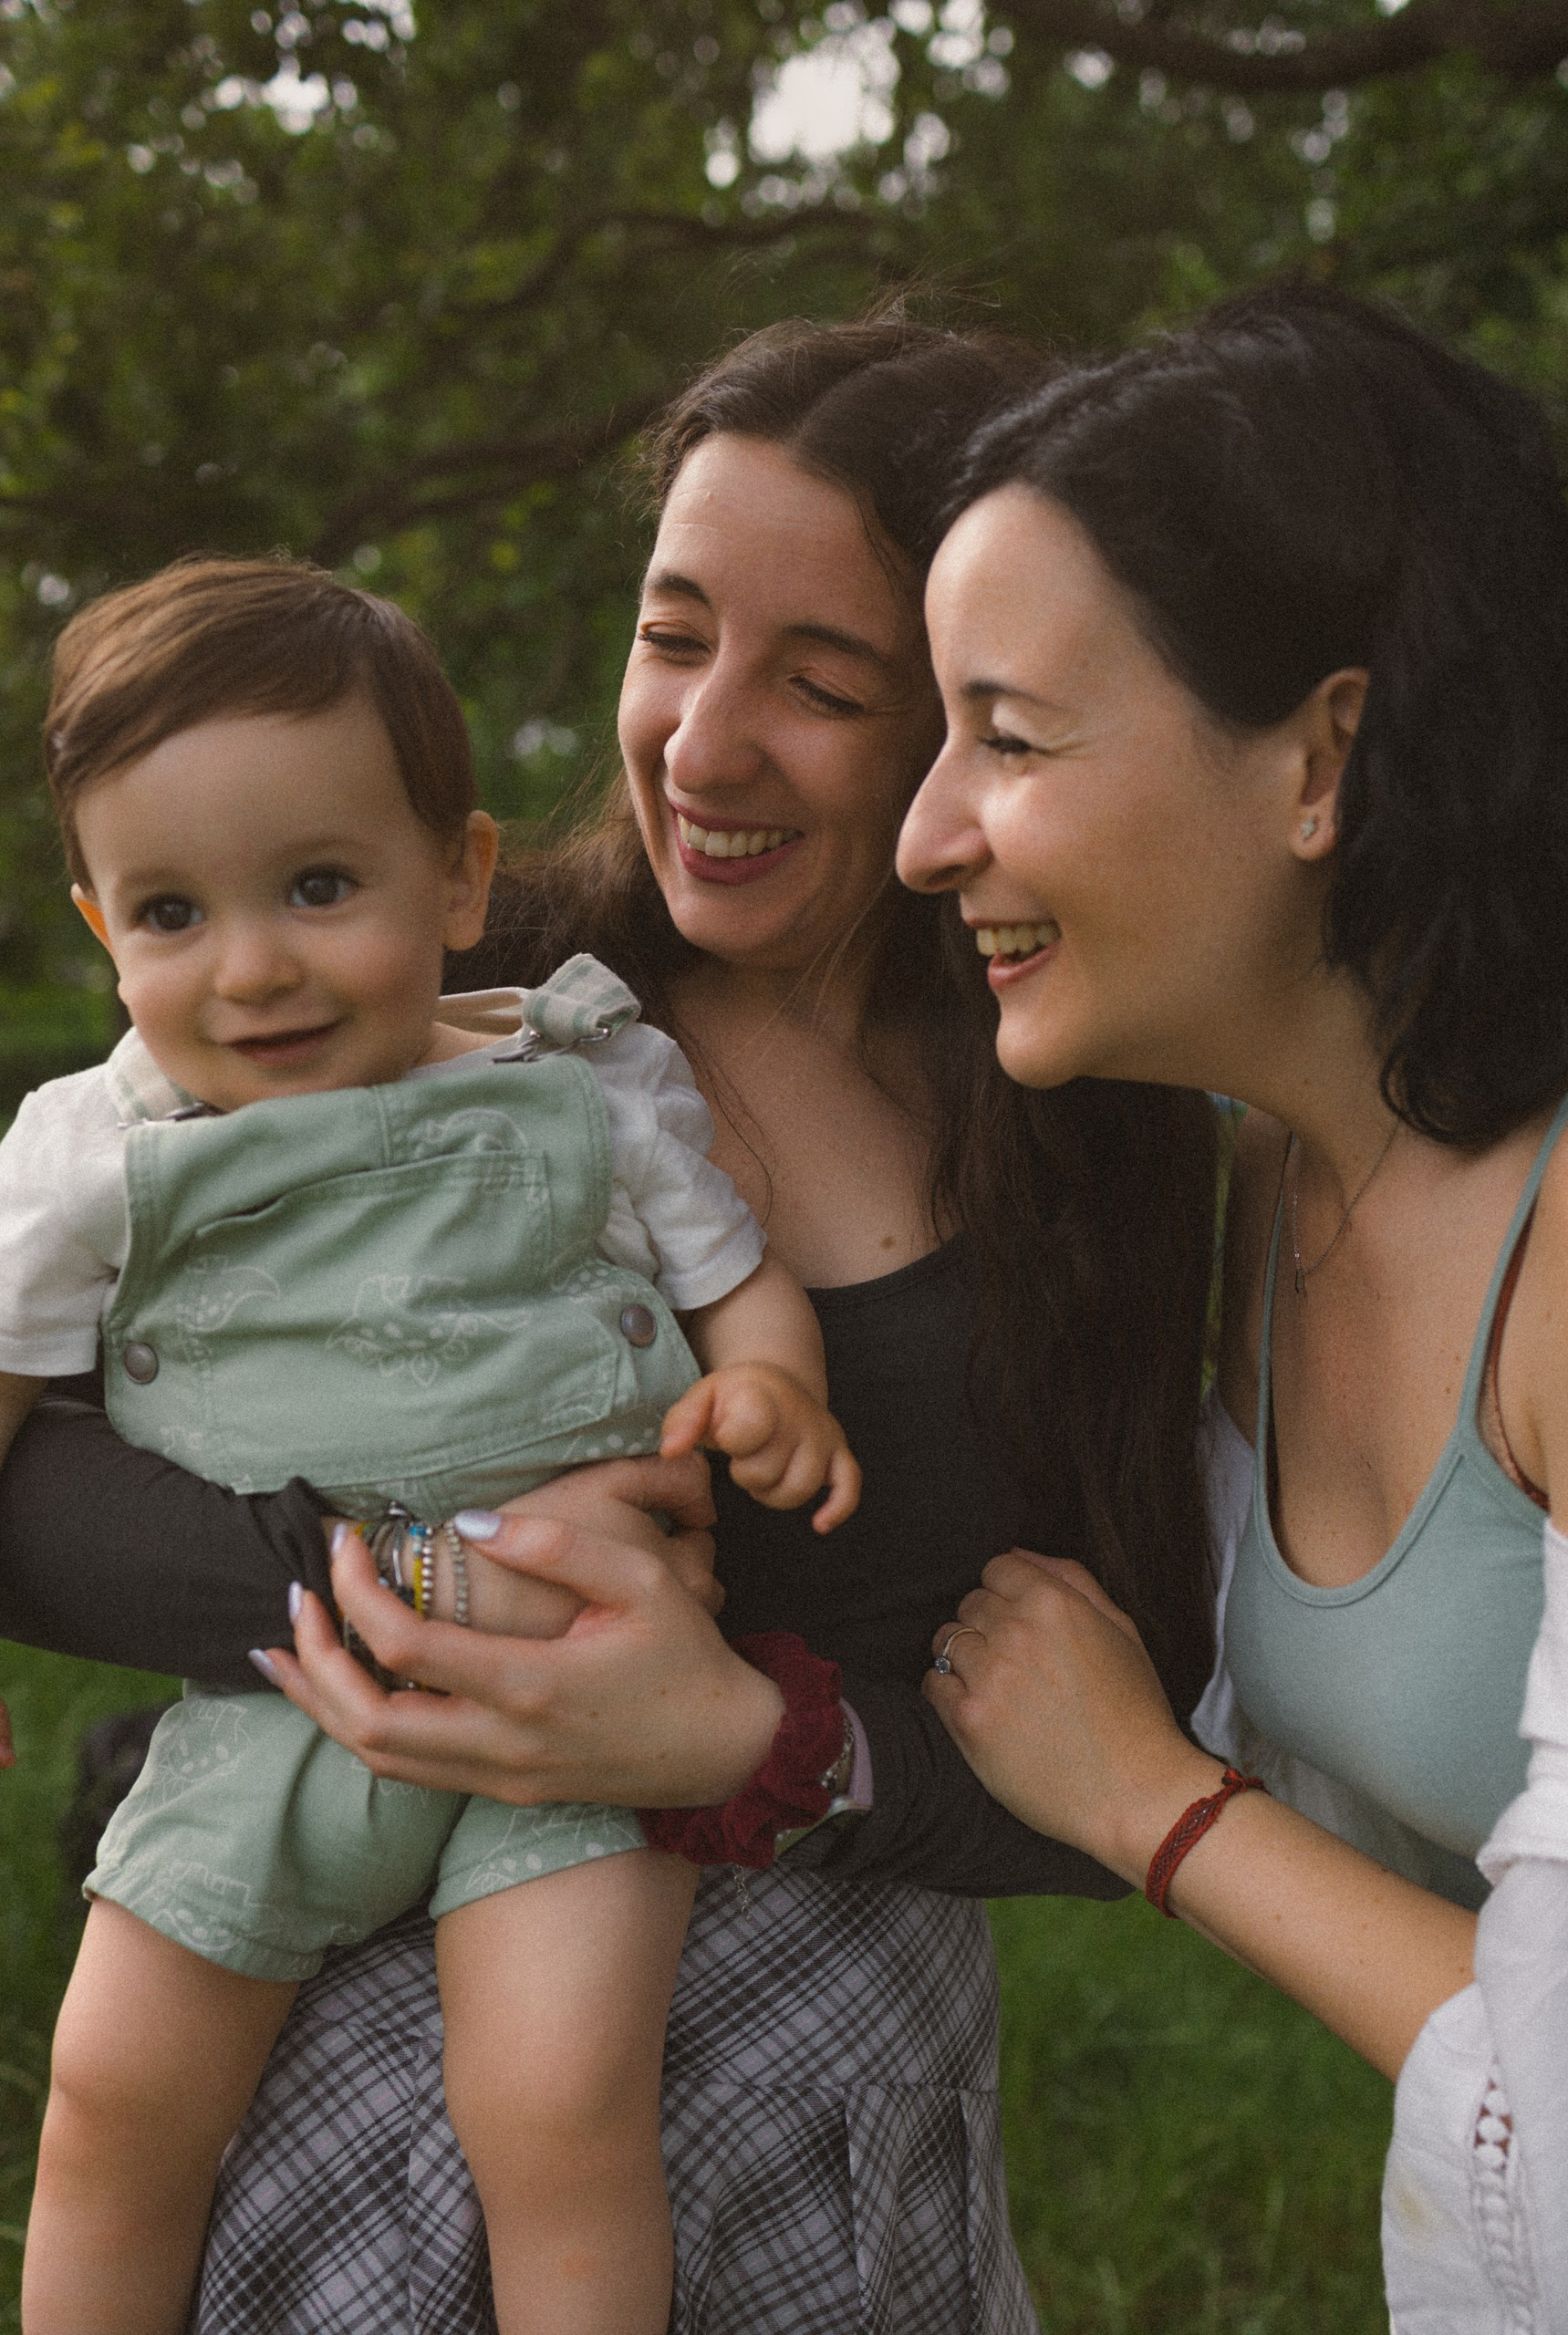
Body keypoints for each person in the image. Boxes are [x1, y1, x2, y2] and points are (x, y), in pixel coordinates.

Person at [0, 318, 1220, 2332]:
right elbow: (46, 1472)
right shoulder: (433, 988)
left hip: (815, 2075)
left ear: (971, 714)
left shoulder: (1080, 1121)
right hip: (346, 2023)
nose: (703, 742)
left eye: (824, 684)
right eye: (672, 638)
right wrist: (417, 1587)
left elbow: (1130, 1731)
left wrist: (764, 1735)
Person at [893, 280, 1568, 2332]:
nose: (928, 834)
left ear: (1322, 757)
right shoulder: (1275, 1162)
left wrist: (1153, 1805)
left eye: (1005, 737)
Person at [6, 555, 858, 2335]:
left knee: (557, 2111)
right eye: (170, 912)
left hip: (581, 1708)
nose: (253, 967)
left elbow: (739, 1281)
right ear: (101, 926)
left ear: (461, 878)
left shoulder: (588, 1083)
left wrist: (770, 1391)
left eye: (320, 886)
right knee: (112, 2102)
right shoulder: (100, 1151)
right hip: (275, 1702)